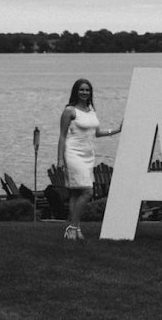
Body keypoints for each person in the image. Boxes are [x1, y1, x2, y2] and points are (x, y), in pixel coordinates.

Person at [57, 78, 122, 240]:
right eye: (81, 90)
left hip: (88, 155)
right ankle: (73, 227)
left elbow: (96, 133)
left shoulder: (91, 111)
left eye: (87, 90)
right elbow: (62, 136)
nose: (84, 92)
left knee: (75, 193)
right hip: (73, 154)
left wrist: (116, 131)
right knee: (87, 191)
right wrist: (59, 158)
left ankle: (75, 229)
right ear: (75, 91)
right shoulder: (69, 111)